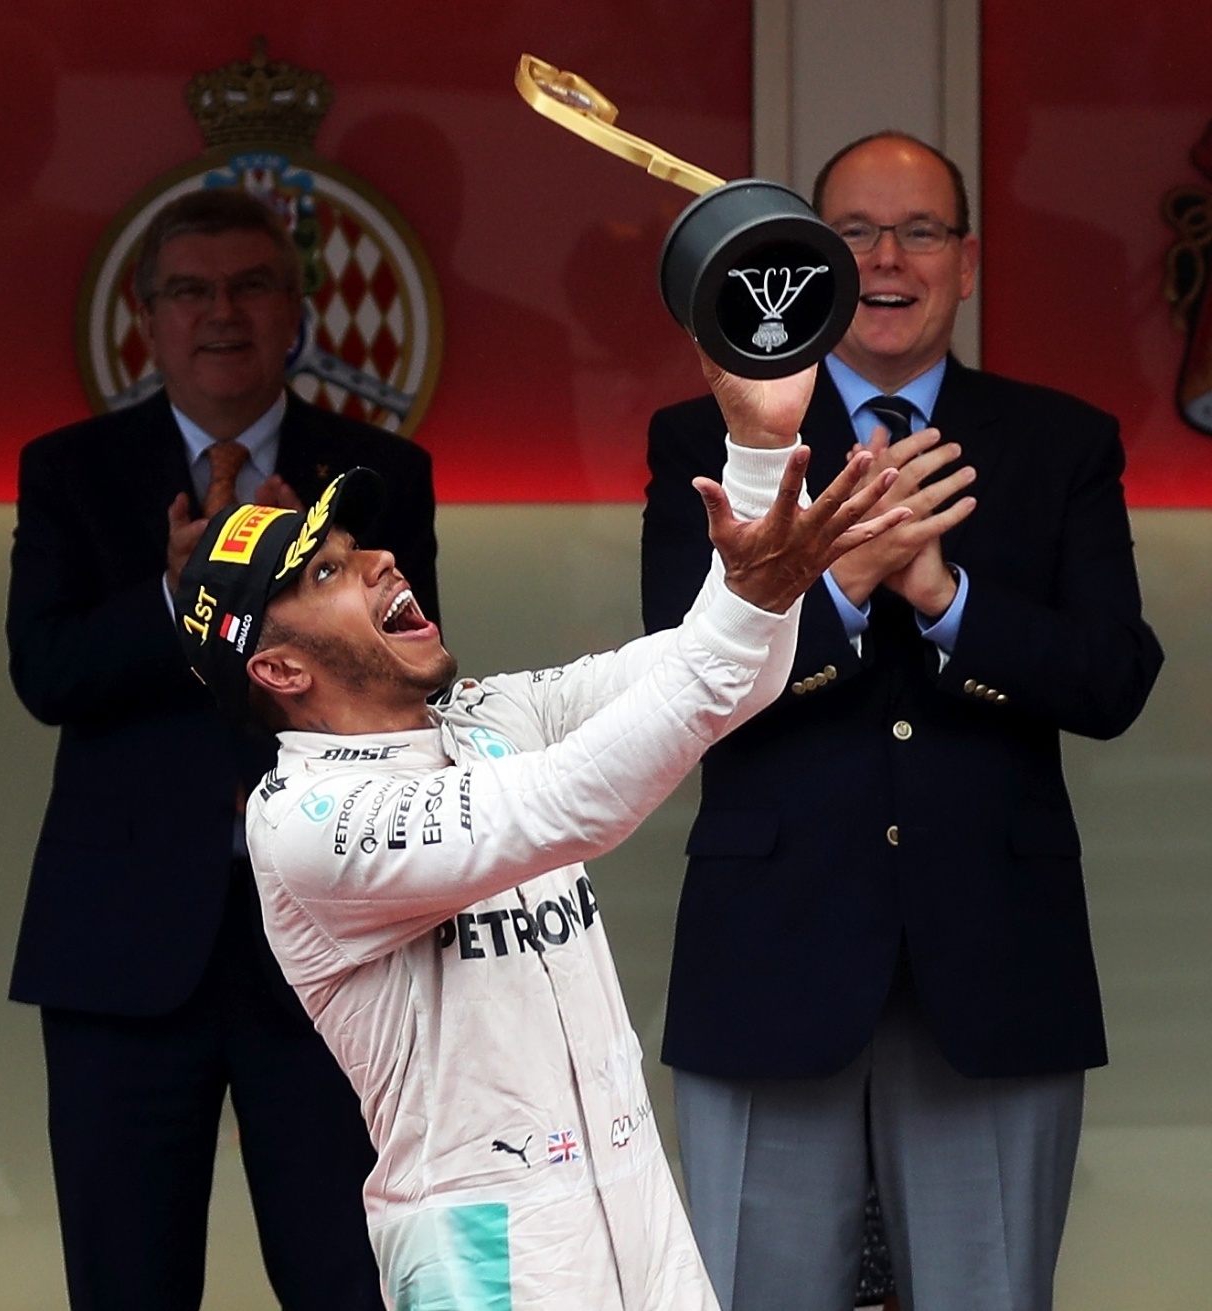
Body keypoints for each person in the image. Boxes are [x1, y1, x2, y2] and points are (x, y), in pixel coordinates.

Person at [171, 353, 904, 1307]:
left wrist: (760, 448)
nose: (379, 559)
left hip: (633, 1201)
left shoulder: (487, 716)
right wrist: (759, 597)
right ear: (278, 671)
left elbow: (719, 672)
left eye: (359, 544)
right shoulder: (306, 824)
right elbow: (574, 802)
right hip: (483, 1248)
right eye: (328, 571)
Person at [641, 131, 1165, 1311]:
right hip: (771, 962)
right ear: (813, 261)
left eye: (920, 231)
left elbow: (1112, 679)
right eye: (855, 234)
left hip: (993, 962)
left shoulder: (1062, 442)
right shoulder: (709, 442)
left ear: (967, 263)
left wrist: (944, 597)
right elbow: (674, 692)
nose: (886, 258)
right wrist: (843, 585)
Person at [6, 187, 440, 1309]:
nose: (221, 314)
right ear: (147, 318)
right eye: (191, 291)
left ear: (297, 310)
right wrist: (177, 593)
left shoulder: (378, 473)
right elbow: (47, 676)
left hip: (330, 941)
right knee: (126, 1281)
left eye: (250, 286)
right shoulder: (72, 470)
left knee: (351, 1279)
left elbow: (408, 693)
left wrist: (310, 604)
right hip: (123, 945)